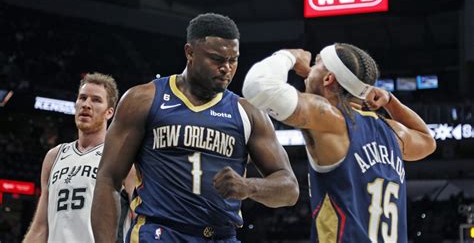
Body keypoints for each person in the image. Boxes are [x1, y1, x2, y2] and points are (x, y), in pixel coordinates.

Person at [91, 13, 299, 242]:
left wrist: (249, 187)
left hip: (221, 235)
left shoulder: (248, 112)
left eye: (233, 60)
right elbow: (108, 179)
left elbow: (289, 189)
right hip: (160, 233)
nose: (226, 68)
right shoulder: (143, 99)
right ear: (189, 52)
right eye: (217, 59)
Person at [242, 43, 437, 242]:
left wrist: (288, 56)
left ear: (329, 78)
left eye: (316, 64)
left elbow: (257, 87)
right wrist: (390, 100)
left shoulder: (330, 119)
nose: (308, 70)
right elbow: (427, 140)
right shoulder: (393, 132)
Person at [23, 73, 128, 242]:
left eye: (96, 100)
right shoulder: (54, 157)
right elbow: (41, 227)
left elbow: (140, 218)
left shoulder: (121, 157)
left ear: (110, 112)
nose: (86, 104)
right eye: (82, 98)